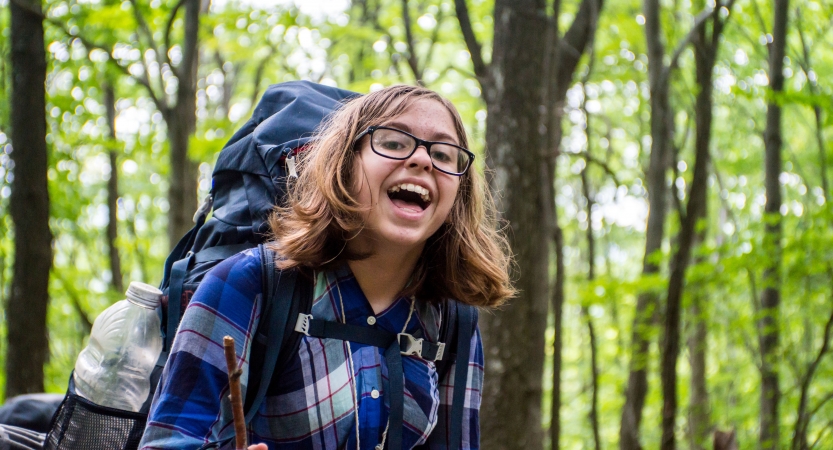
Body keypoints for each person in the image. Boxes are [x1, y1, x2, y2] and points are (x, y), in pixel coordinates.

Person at [139, 84, 514, 450]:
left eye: (444, 154)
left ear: (458, 193)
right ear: (344, 165)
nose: (422, 159)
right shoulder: (248, 283)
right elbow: (169, 441)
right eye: (394, 142)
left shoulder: (454, 321)